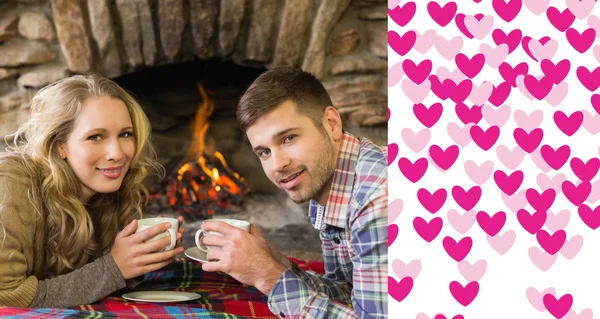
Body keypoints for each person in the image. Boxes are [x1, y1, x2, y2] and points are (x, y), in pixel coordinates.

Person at [199, 67, 388, 318]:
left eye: (288, 138)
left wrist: (268, 277)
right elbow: (352, 293)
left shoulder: (377, 199)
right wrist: (274, 263)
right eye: (264, 152)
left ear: (331, 124)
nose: (277, 165)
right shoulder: (330, 185)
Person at [0, 75, 185, 308]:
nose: (116, 153)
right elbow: (6, 296)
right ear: (60, 145)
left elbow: (76, 282)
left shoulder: (103, 191)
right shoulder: (11, 183)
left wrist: (137, 259)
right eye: (95, 137)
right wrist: (113, 268)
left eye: (125, 134)